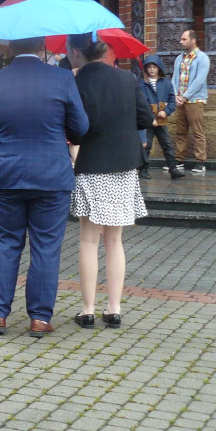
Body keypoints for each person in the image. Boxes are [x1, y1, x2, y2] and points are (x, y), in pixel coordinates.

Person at [0, 37, 88, 337]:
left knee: (8, 242)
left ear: (10, 48)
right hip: (51, 175)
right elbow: (80, 128)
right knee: (47, 246)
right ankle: (39, 318)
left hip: (7, 175)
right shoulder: (62, 78)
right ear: (43, 48)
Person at [67, 34, 154, 329]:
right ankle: (114, 309)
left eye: (68, 50)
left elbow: (72, 127)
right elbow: (144, 119)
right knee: (114, 240)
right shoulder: (126, 79)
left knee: (88, 240)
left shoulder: (75, 82)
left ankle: (88, 309)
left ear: (77, 52)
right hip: (123, 165)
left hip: (91, 163)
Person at [138, 55, 184, 181]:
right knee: (146, 145)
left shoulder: (166, 83)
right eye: (149, 67)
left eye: (154, 67)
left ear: (159, 68)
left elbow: (172, 101)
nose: (152, 70)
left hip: (161, 119)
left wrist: (166, 112)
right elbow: (141, 102)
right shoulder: (142, 84)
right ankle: (143, 169)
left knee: (167, 144)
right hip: (148, 121)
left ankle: (173, 169)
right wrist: (149, 117)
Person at [172, 30, 210, 174]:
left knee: (197, 132)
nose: (181, 42)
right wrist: (176, 94)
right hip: (180, 100)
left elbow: (200, 80)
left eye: (184, 39)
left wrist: (186, 96)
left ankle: (201, 162)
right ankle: (179, 160)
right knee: (181, 132)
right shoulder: (179, 58)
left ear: (193, 40)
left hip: (195, 100)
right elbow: (175, 77)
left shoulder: (202, 58)